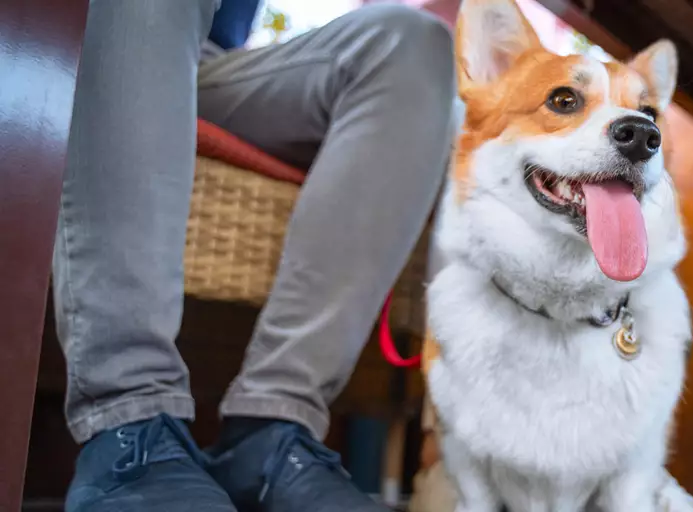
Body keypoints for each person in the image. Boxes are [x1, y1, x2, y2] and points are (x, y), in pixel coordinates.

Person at [55, 0, 456, 510]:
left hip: (208, 62)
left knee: (413, 42)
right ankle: (127, 422)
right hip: (93, 29)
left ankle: (269, 433)